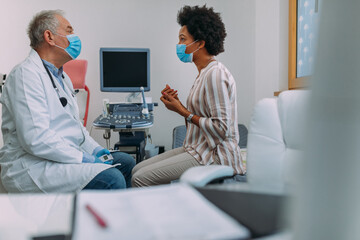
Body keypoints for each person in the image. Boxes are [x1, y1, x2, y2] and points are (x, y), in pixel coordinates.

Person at [0, 10, 135, 193]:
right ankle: (95, 220)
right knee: (111, 178)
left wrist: (95, 150)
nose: (75, 37)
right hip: (32, 164)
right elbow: (35, 138)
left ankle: (109, 217)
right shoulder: (25, 75)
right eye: (69, 31)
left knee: (126, 162)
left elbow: (76, 128)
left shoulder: (62, 78)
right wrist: (83, 158)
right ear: (49, 37)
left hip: (59, 156)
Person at [132, 5, 245, 187]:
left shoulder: (215, 74)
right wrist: (177, 106)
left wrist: (184, 112)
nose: (179, 45)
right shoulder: (203, 74)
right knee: (136, 170)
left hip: (215, 155)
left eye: (183, 39)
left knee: (140, 178)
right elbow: (198, 123)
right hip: (197, 148)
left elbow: (221, 128)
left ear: (200, 43)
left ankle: (160, 214)